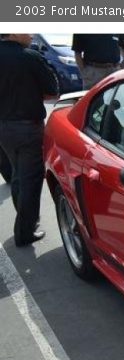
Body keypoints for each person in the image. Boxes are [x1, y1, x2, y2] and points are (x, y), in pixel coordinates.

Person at [0, 33, 58, 246]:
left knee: (19, 173)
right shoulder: (29, 57)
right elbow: (52, 91)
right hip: (27, 128)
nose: (32, 35)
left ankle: (25, 219)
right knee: (30, 179)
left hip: (4, 127)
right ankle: (25, 231)